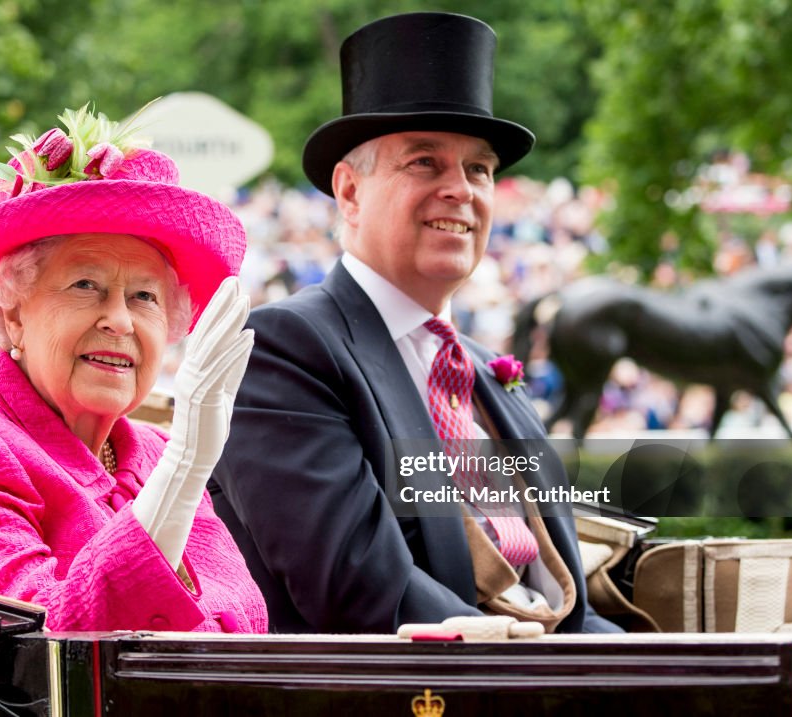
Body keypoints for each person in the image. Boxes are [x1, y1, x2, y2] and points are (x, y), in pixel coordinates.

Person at [210, 13, 621, 634]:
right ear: (349, 193)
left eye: (479, 169)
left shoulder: (488, 370)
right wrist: (552, 668)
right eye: (425, 162)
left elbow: (570, 610)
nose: (461, 189)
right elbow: (362, 591)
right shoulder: (282, 350)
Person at [0, 104, 267, 633]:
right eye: (86, 285)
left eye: (145, 296)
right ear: (13, 310)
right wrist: (183, 472)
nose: (120, 320)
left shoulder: (150, 452)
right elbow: (39, 649)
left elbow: (242, 622)